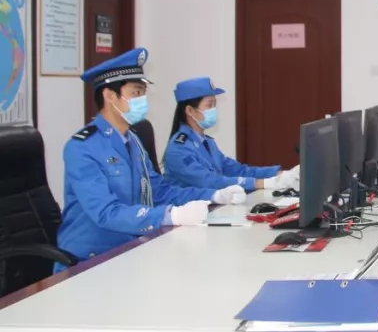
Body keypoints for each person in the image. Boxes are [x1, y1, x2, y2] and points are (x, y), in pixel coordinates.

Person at [55, 48, 248, 271]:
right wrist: (171, 215)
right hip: (89, 261)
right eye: (136, 93)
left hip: (131, 250)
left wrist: (214, 195)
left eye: (143, 93)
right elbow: (106, 212)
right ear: (109, 96)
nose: (143, 100)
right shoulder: (82, 147)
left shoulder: (133, 141)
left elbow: (160, 191)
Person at [162, 77, 299, 192]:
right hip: (189, 212)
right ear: (190, 111)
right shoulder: (178, 149)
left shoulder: (207, 142)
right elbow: (209, 181)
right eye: (209, 105)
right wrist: (262, 183)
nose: (213, 110)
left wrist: (279, 174)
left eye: (215, 104)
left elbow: (236, 170)